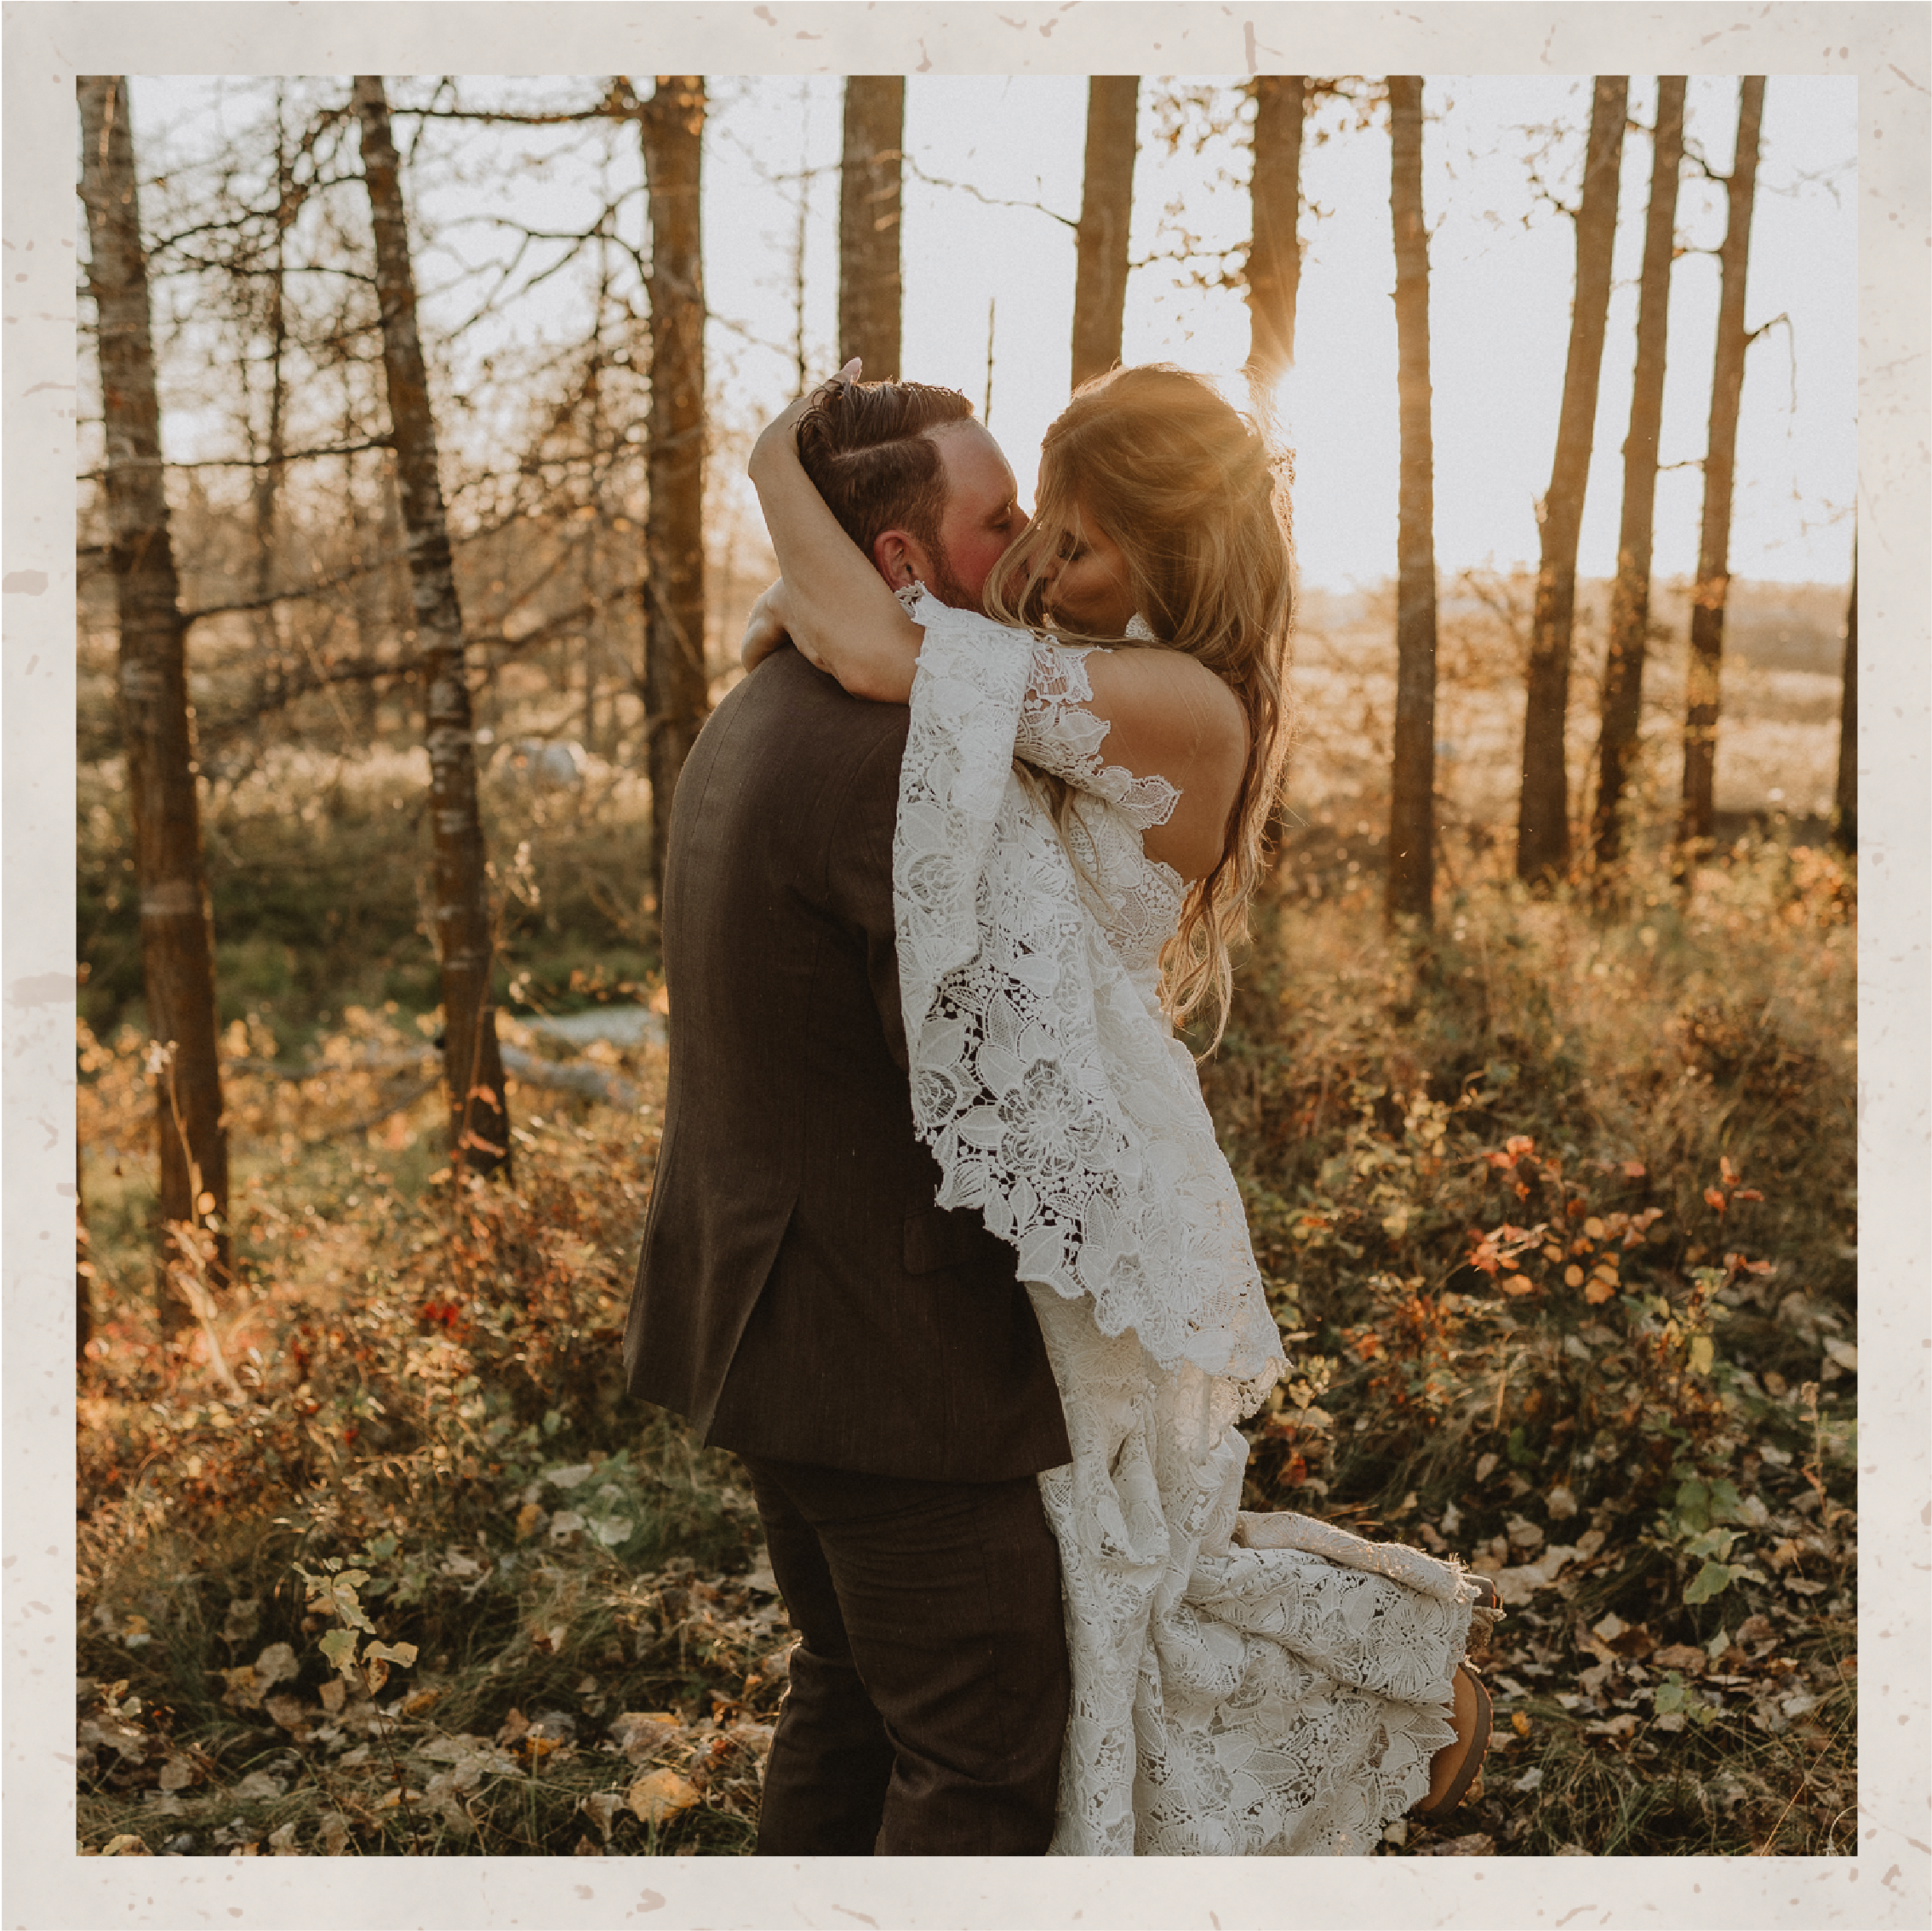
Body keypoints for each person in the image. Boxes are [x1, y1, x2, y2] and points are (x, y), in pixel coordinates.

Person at [741, 360, 1498, 1856]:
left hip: (1097, 1202)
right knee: (1102, 1588)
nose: (1036, 570)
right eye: (1033, 532)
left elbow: (862, 639)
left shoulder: (1171, 700)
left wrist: (775, 456)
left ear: (1173, 563)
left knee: (1122, 1592)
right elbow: (875, 644)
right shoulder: (1081, 667)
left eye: (1073, 546)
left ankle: (1414, 1707)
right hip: (1069, 1174)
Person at [621, 377, 1072, 1855]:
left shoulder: (759, 706)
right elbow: (983, 1087)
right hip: (890, 1364)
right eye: (997, 520)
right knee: (981, 1750)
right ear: (898, 564)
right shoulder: (892, 762)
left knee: (853, 1699)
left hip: (772, 1323)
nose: (1031, 545)